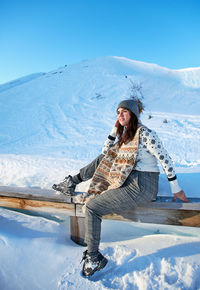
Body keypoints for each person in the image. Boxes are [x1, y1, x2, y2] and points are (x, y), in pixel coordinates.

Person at [52, 99, 189, 277]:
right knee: (106, 157)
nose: (120, 115)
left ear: (133, 114)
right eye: (118, 113)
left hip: (142, 184)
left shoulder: (145, 133)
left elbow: (166, 159)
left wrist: (176, 188)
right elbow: (105, 153)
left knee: (92, 207)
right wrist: (114, 130)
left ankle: (93, 258)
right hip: (126, 179)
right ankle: (72, 182)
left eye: (124, 111)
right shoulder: (125, 138)